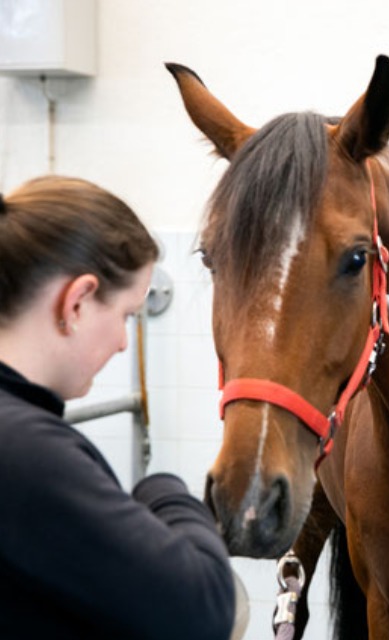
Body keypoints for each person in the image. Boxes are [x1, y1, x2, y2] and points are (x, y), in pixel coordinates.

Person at [0, 176, 236, 639]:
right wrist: (162, 491)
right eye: (126, 315)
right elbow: (201, 612)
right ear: (78, 302)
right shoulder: (25, 449)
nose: (124, 343)